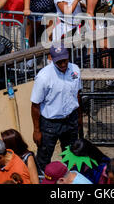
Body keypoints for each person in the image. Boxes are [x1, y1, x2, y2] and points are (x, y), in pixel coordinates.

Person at [30, 43, 83, 172]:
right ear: (52, 59)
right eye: (59, 62)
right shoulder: (44, 77)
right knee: (44, 158)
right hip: (50, 124)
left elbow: (78, 94)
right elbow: (35, 105)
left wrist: (80, 117)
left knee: (72, 156)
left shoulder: (75, 70)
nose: (63, 64)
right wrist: (37, 130)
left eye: (65, 60)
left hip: (71, 119)